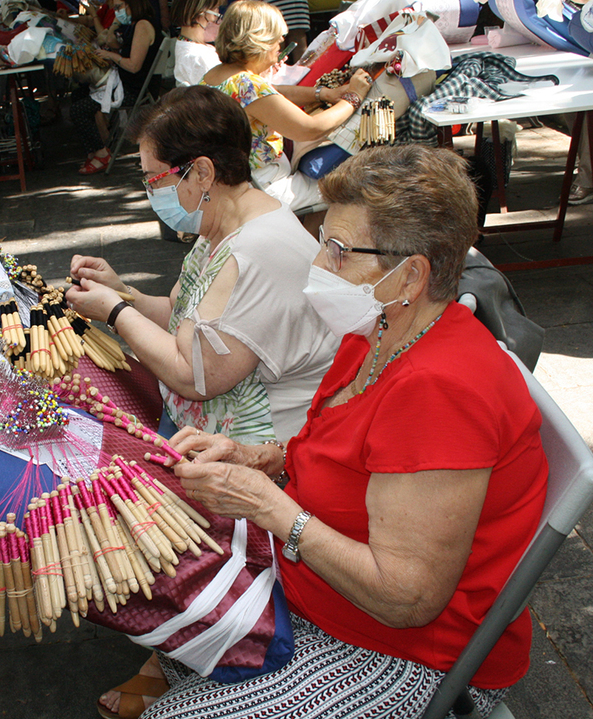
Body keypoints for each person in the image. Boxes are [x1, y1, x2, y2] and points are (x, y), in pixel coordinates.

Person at [98, 144, 548, 719]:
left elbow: (405, 599)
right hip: (325, 594)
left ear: (411, 274)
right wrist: (259, 456)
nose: (318, 267)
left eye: (337, 252)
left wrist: (270, 507)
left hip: (408, 651)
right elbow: (351, 449)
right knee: (157, 573)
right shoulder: (374, 334)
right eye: (321, 243)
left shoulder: (441, 390)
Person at [67, 85, 338, 448]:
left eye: (154, 178)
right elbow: (185, 319)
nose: (149, 189)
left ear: (202, 173)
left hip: (261, 452)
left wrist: (115, 312)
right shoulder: (221, 225)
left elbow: (196, 375)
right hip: (200, 428)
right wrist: (122, 293)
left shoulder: (258, 249)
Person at [201, 0, 372, 211]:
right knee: (353, 185)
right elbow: (309, 128)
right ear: (260, 41)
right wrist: (353, 97)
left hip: (241, 183)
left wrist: (324, 94)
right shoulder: (247, 84)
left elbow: (274, 93)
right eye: (278, 39)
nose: (281, 46)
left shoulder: (217, 76)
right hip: (267, 188)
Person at [69, 0, 163, 174]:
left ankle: (102, 153)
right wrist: (114, 26)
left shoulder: (143, 26)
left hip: (135, 89)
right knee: (77, 95)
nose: (116, 11)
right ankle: (94, 150)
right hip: (125, 82)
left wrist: (110, 55)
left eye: (119, 7)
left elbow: (134, 65)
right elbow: (109, 41)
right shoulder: (132, 25)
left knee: (78, 110)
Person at [171, 0, 221, 87]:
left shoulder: (185, 45)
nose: (217, 20)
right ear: (199, 15)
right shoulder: (198, 58)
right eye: (215, 14)